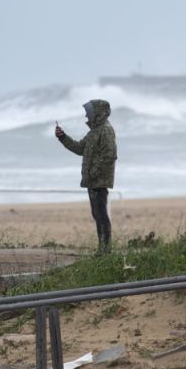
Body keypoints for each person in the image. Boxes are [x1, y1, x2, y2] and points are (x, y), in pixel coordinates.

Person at [55, 99, 117, 254]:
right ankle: (102, 250)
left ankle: (105, 251)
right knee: (97, 214)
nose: (86, 115)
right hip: (93, 180)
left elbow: (110, 155)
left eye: (88, 112)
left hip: (99, 181)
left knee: (101, 215)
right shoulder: (94, 131)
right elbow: (79, 148)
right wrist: (63, 137)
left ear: (97, 113)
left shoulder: (106, 130)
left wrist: (94, 172)